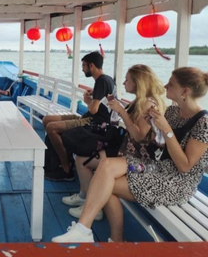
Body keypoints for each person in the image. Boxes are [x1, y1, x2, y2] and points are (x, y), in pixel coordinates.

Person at [52, 67, 208, 243]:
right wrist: (155, 129)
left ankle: (112, 239)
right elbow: (159, 145)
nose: (165, 86)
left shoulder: (203, 124)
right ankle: (84, 229)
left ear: (185, 91)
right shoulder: (172, 112)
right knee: (106, 167)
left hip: (176, 182)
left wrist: (165, 129)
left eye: (171, 84)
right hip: (152, 167)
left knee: (106, 185)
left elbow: (185, 166)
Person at [63, 64, 166, 221]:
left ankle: (92, 206)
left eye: (127, 80)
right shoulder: (139, 101)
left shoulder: (149, 104)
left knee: (83, 160)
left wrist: (122, 111)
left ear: (138, 82)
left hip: (137, 157)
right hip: (124, 148)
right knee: (80, 158)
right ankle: (85, 197)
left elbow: (139, 136)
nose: (124, 83)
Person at [43, 51, 116, 181]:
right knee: (47, 119)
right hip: (87, 117)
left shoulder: (101, 81)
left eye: (84, 66)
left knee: (51, 128)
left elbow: (93, 110)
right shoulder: (108, 80)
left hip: (94, 122)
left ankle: (66, 167)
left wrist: (87, 101)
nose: (82, 69)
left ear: (91, 66)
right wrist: (91, 98)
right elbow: (99, 104)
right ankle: (62, 158)